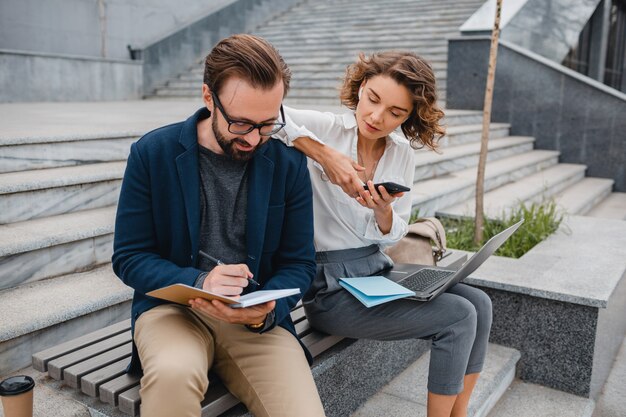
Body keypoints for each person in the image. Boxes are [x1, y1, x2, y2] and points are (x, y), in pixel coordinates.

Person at [111, 34, 326, 417]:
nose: (255, 138)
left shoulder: (288, 164)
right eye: (242, 123)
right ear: (208, 97)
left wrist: (268, 308)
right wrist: (199, 281)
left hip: (255, 317)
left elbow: (300, 264)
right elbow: (129, 257)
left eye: (267, 124)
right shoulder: (152, 154)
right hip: (171, 308)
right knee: (172, 378)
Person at [275, 51, 493, 417]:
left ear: (409, 116)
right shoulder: (327, 127)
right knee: (458, 316)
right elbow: (269, 114)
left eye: (396, 113)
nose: (377, 117)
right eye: (373, 99)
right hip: (329, 289)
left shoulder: (401, 152)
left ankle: (460, 413)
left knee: (481, 305)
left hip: (376, 272)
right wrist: (323, 154)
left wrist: (383, 211)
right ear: (360, 88)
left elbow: (393, 235)